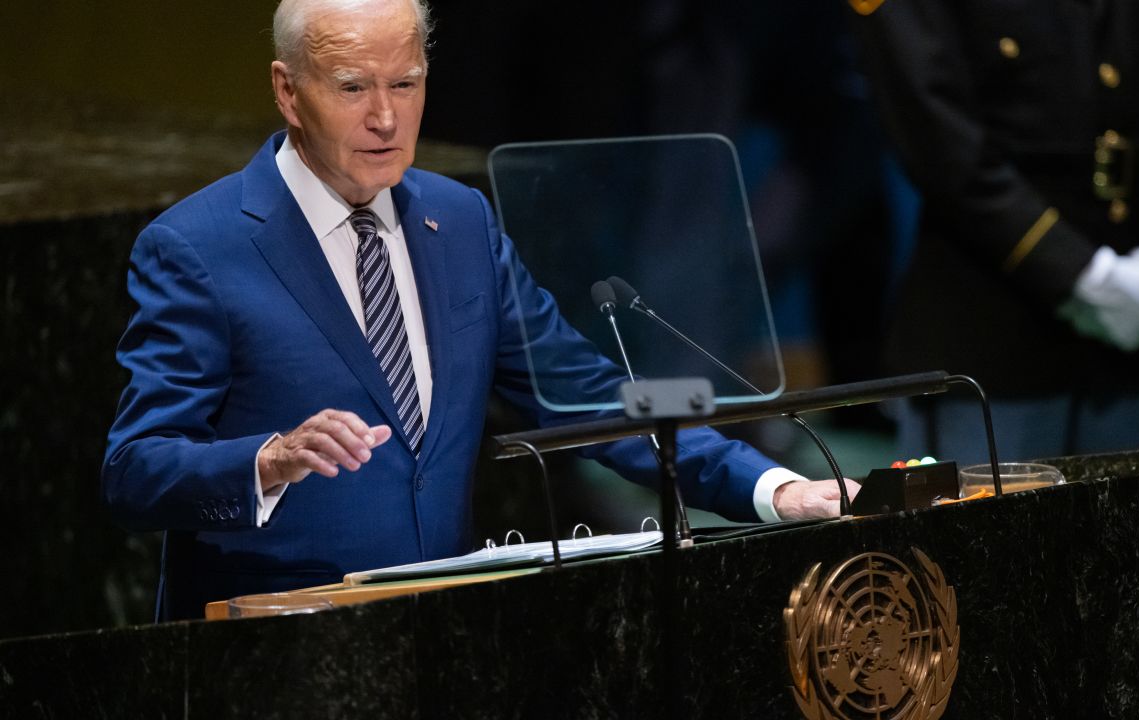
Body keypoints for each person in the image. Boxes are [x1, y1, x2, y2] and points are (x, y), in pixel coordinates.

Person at [102, 0, 853, 620]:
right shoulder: (198, 247)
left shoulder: (460, 221)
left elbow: (586, 397)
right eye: (354, 88)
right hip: (271, 653)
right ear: (287, 89)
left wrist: (768, 487)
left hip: (441, 648)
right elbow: (134, 470)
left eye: (406, 84)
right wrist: (266, 461)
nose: (387, 119)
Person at [851, 0, 1139, 463]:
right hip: (993, 332)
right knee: (981, 532)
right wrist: (1080, 274)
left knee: (1136, 530)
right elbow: (936, 135)